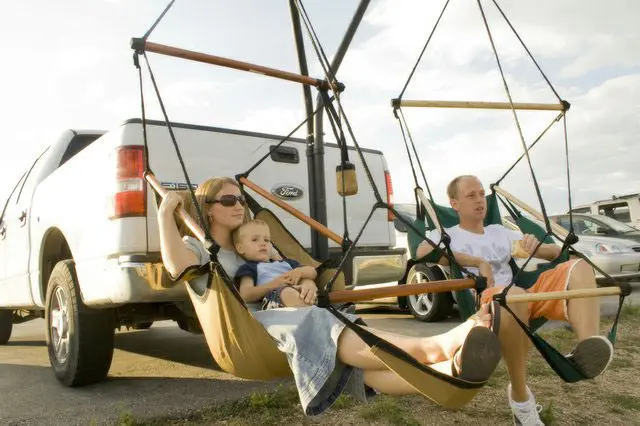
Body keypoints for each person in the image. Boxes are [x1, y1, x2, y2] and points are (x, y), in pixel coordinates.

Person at [158, 176, 502, 416]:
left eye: (241, 200)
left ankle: (447, 370)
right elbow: (177, 266)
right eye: (229, 200)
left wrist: (306, 282)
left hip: (291, 321)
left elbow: (296, 270)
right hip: (254, 330)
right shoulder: (202, 248)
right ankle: (438, 345)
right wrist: (164, 216)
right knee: (326, 322)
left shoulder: (255, 241)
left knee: (356, 365)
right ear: (209, 207)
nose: (239, 206)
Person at [416, 175, 614, 426]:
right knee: (514, 296)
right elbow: (423, 252)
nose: (480, 200)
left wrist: (536, 247)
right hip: (487, 302)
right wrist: (477, 262)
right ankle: (520, 398)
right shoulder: (447, 233)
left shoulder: (500, 232)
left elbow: (557, 252)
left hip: (523, 294)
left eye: (481, 194)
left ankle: (586, 348)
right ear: (454, 204)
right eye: (471, 195)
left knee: (579, 267)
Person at [232, 219, 316, 310]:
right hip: (274, 298)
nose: (263, 243)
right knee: (287, 292)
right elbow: (246, 294)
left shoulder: (286, 263)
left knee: (307, 290)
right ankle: (311, 313)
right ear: (240, 248)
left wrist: (300, 271)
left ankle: (310, 310)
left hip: (298, 292)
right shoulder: (249, 267)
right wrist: (274, 284)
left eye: (267, 240)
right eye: (255, 240)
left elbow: (313, 272)